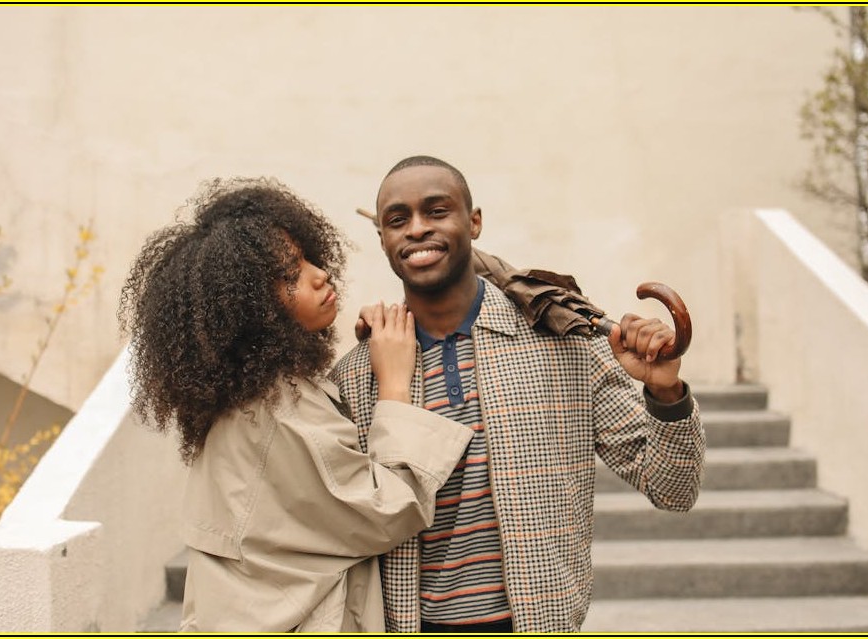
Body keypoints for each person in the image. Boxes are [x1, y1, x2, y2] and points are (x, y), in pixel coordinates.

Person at [330, 156, 706, 633]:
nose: (417, 229)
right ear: (382, 238)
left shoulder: (566, 343)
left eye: (437, 211)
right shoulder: (358, 376)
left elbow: (675, 489)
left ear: (475, 222)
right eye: (398, 220)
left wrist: (665, 390)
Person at [117, 177, 474, 632]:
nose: (318, 274)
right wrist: (395, 384)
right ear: (248, 311)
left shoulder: (250, 395)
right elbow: (386, 511)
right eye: (290, 277)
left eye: (306, 258)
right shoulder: (279, 412)